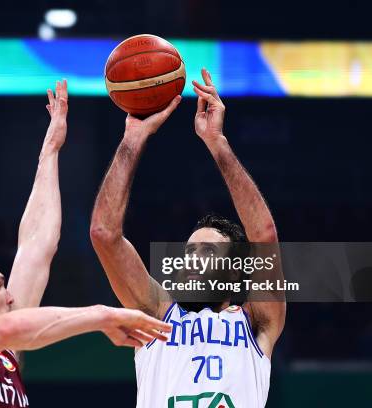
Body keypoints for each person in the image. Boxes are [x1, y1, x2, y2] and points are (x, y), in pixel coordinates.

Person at [0, 80, 171, 408]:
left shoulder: (4, 353)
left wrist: (50, 151)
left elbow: (37, 246)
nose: (10, 293)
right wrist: (102, 315)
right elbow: (4, 330)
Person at [90, 69, 285, 408]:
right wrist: (133, 138)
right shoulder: (155, 315)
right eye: (190, 250)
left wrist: (217, 143)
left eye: (208, 251)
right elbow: (104, 234)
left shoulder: (257, 323)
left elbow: (263, 234)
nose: (193, 258)